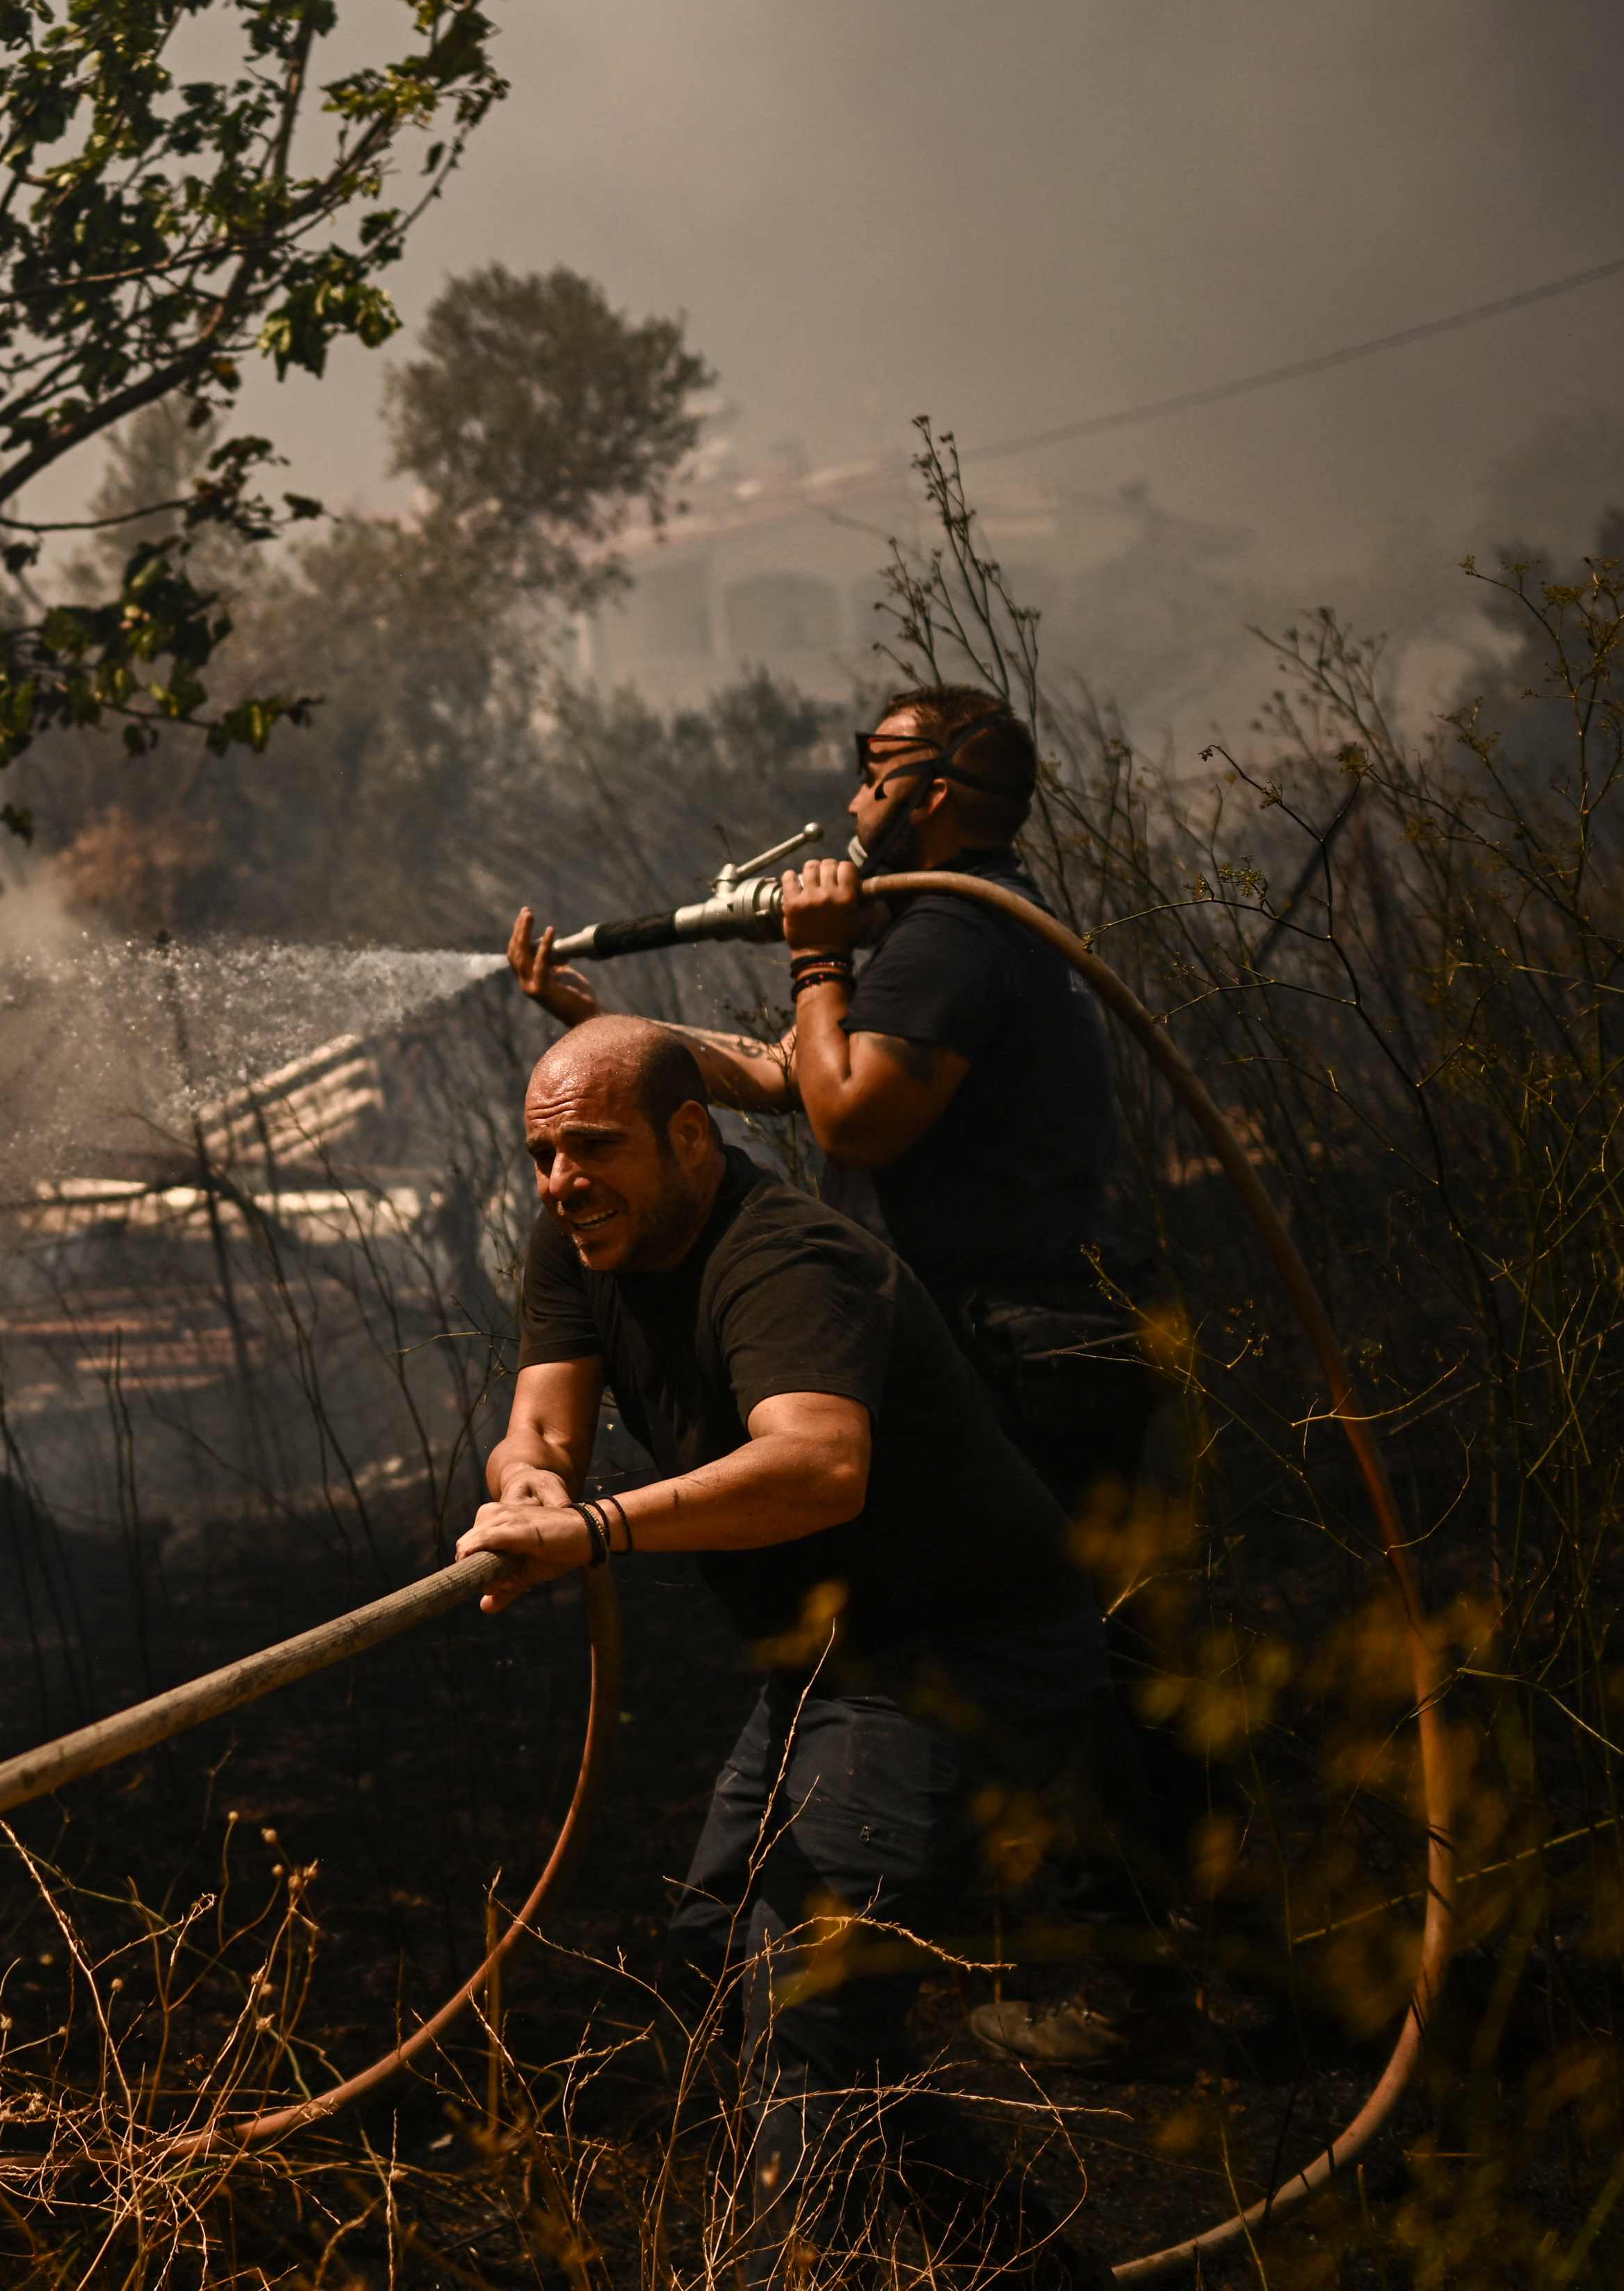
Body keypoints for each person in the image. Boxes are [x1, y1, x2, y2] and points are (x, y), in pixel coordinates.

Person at [508, 688, 1200, 2065]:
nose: (853, 791)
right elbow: (779, 1077)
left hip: (1021, 1341)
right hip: (1029, 1329)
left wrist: (820, 954)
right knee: (1061, 1657)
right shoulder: (965, 926)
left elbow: (852, 1112)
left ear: (937, 787)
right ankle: (1089, 1955)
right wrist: (612, 1038)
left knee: (1052, 1658)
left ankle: (1124, 1983)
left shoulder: (942, 931)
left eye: (876, 766)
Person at [459, 1020, 1107, 2283]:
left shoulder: (789, 1259)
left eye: (592, 1147)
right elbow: (541, 1423)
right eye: (542, 1154)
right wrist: (531, 1485)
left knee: (809, 2000)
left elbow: (820, 1465)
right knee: (720, 1967)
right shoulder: (580, 1235)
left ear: (690, 1134)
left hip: (960, 1650)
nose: (560, 1181)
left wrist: (594, 1532)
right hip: (829, 1658)